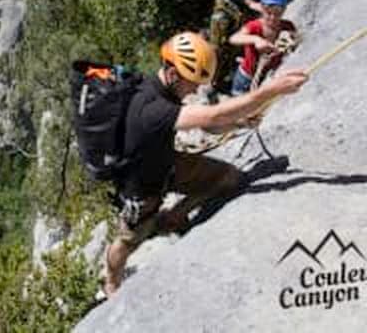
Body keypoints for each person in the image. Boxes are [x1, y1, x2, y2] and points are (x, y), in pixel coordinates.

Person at [103, 31, 307, 297]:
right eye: (192, 84)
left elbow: (206, 123)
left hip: (168, 163)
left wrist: (238, 122)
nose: (195, 90)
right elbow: (213, 115)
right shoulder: (153, 109)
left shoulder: (163, 88)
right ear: (173, 74)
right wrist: (269, 90)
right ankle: (111, 281)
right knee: (128, 241)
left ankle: (174, 216)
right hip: (141, 187)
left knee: (228, 178)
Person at [228, 0, 298, 96]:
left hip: (268, 75)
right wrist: (256, 39)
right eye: (268, 13)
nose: (272, 17)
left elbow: (295, 39)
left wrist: (291, 40)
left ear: (284, 10)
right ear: (261, 9)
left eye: (277, 13)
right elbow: (234, 38)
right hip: (246, 77)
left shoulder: (287, 27)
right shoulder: (254, 26)